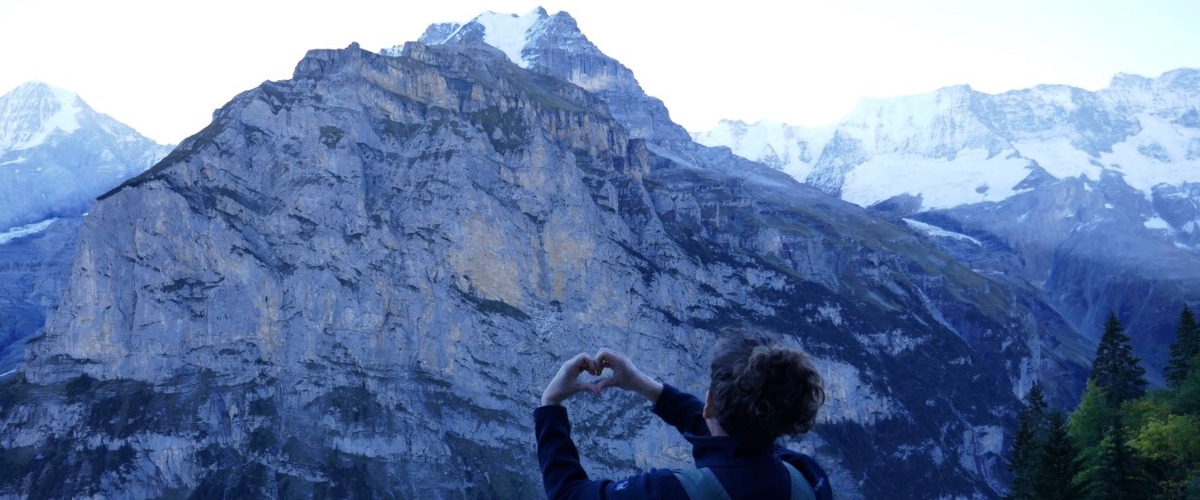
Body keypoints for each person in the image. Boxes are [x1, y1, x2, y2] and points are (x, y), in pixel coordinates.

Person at [535, 332, 832, 499]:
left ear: (710, 404)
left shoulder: (672, 492)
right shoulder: (808, 476)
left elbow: (567, 496)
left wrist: (551, 403)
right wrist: (642, 384)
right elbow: (737, 447)